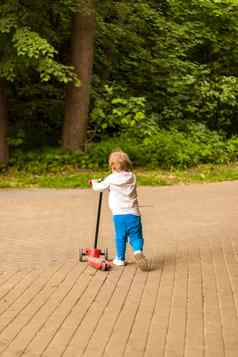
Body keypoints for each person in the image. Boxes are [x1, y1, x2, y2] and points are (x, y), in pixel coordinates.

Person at [90, 150, 149, 271]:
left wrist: (94, 182)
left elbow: (98, 188)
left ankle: (120, 259)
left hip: (119, 215)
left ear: (112, 165)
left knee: (120, 236)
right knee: (136, 236)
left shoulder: (111, 178)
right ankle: (138, 251)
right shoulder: (132, 176)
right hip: (133, 213)